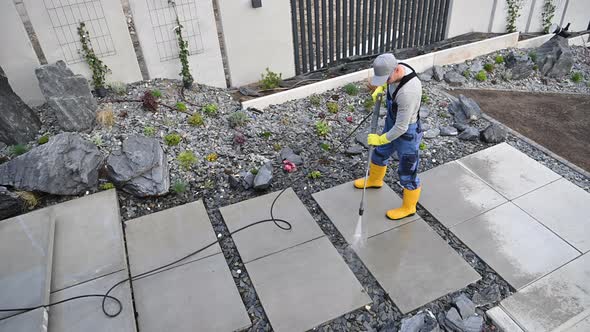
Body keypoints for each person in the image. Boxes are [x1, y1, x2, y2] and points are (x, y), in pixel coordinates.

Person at [353, 53, 423, 220]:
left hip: (407, 132)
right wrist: (382, 87)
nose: (384, 82)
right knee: (379, 153)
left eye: (385, 79)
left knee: (407, 169)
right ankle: (375, 180)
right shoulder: (396, 69)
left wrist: (381, 138)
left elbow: (401, 127)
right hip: (393, 122)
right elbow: (390, 84)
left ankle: (409, 207)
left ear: (396, 70)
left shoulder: (408, 92)